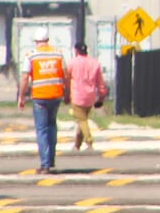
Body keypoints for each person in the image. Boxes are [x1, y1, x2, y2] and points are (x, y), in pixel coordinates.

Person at [17, 27, 70, 174]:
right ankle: (51, 158)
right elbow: (66, 75)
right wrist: (68, 93)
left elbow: (24, 78)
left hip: (40, 97)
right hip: (56, 95)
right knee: (52, 126)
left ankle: (45, 164)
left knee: (41, 130)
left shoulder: (31, 55)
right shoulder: (58, 54)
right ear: (47, 40)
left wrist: (21, 97)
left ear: (36, 41)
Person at [67, 40, 108, 151]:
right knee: (82, 120)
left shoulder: (72, 63)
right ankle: (77, 145)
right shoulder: (95, 63)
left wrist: (66, 94)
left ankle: (89, 142)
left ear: (76, 51)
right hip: (90, 97)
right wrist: (101, 97)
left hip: (77, 96)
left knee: (82, 121)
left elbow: (67, 79)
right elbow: (100, 83)